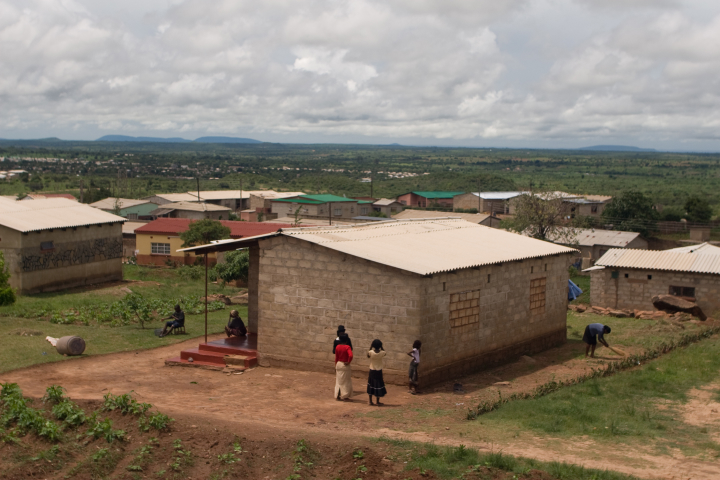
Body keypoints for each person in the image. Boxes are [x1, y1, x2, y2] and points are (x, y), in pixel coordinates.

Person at [366, 339, 387, 406]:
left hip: (372, 370)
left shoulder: (371, 352)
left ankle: (370, 401)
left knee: (371, 384)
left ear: (373, 345)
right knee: (378, 384)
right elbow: (385, 352)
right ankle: (377, 401)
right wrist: (381, 347)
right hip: (379, 371)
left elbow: (368, 355)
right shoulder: (381, 353)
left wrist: (370, 347)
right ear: (380, 346)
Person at [334, 333, 353, 401]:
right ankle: (345, 396)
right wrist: (348, 361)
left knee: (338, 381)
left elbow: (336, 357)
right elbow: (350, 355)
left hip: (338, 364)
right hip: (345, 365)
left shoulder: (337, 347)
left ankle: (337, 395)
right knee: (346, 381)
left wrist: (336, 365)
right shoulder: (347, 347)